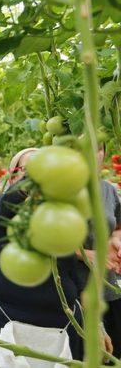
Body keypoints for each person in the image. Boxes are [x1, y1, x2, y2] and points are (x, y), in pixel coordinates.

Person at [0, 148, 85, 360]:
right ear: (13, 177)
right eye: (29, 170)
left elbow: (74, 273)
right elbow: (13, 199)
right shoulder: (4, 206)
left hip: (65, 320)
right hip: (11, 318)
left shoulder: (59, 217)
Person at [75, 144, 121, 359]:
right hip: (80, 291)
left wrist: (116, 241)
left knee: (115, 353)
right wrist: (85, 254)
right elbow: (50, 240)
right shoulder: (61, 191)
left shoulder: (108, 189)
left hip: (111, 287)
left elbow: (117, 226)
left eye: (97, 148)